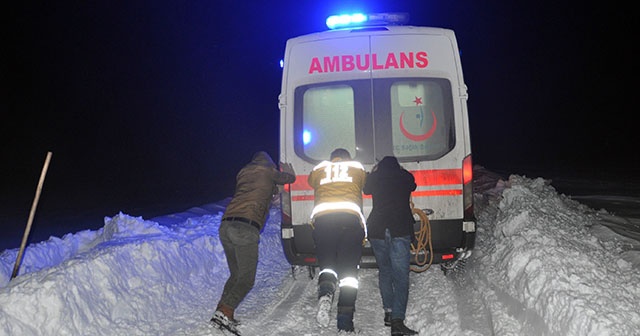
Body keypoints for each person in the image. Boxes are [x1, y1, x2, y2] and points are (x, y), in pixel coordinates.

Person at [211, 151, 296, 334]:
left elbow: (262, 191)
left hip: (226, 225)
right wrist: (289, 171)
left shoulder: (244, 172)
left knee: (236, 275)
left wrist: (274, 190)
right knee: (247, 279)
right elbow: (289, 179)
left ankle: (225, 310)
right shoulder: (268, 170)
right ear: (269, 163)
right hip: (245, 228)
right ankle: (224, 311)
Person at [308, 148, 367, 333]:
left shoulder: (320, 169)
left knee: (327, 266)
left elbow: (311, 181)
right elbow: (363, 183)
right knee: (349, 276)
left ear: (331, 158)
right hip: (349, 223)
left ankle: (325, 295)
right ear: (347, 158)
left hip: (323, 223)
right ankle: (344, 324)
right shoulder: (356, 168)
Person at [363, 156, 418, 336]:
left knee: (385, 270)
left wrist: (373, 173)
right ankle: (397, 321)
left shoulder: (374, 177)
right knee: (401, 275)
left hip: (377, 229)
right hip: (400, 228)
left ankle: (388, 312)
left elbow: (366, 189)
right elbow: (413, 186)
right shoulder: (405, 176)